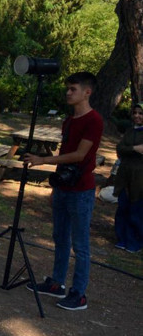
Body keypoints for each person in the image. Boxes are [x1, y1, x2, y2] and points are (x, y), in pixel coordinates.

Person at [24, 72, 103, 311]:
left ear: (87, 92)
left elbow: (80, 155)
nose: (68, 92)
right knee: (60, 237)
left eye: (73, 89)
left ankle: (78, 294)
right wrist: (56, 185)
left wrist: (42, 160)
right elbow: (66, 156)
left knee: (80, 245)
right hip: (64, 188)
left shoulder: (94, 120)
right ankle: (57, 283)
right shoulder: (69, 121)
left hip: (81, 191)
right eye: (67, 88)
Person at [112, 103, 143, 253]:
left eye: (140, 113)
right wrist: (134, 149)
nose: (137, 116)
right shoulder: (130, 131)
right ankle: (121, 238)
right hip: (125, 175)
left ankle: (134, 241)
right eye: (135, 113)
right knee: (123, 207)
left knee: (136, 209)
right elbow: (120, 149)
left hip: (139, 177)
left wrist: (129, 150)